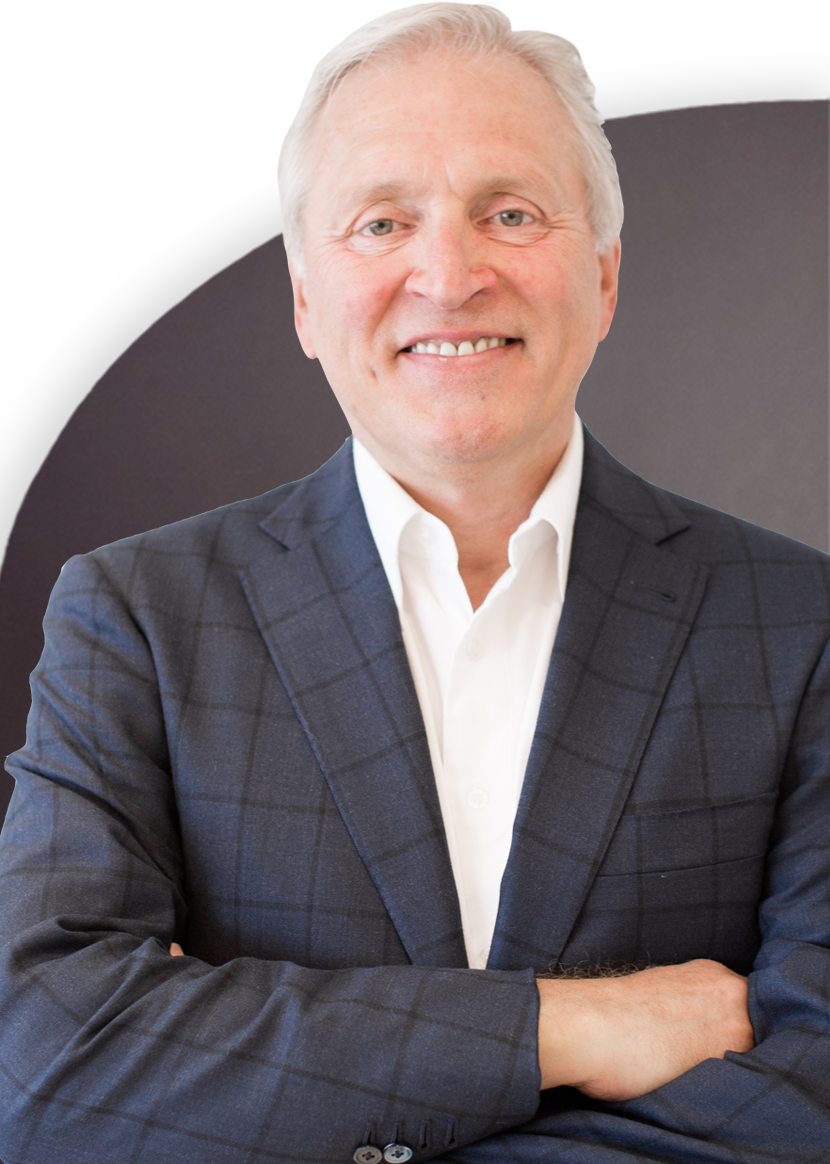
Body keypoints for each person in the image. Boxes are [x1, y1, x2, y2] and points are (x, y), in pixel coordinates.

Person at [0, 4, 827, 1162]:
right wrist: (561, 1027)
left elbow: (811, 1097)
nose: (448, 274)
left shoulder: (799, 626)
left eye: (509, 212)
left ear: (601, 278)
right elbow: (52, 1069)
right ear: (303, 299)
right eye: (382, 221)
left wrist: (254, 1088)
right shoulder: (135, 616)